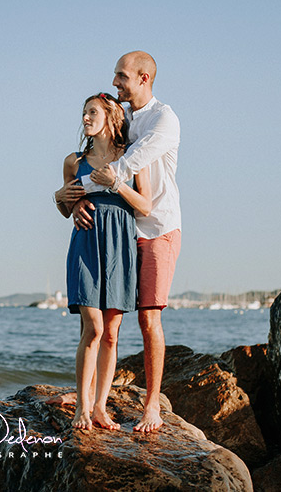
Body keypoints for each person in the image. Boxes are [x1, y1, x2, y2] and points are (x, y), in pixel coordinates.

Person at [54, 51, 181, 434]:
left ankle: (150, 407)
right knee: (93, 325)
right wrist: (67, 201)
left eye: (121, 76)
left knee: (143, 320)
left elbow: (125, 169)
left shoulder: (162, 120)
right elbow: (72, 190)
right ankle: (89, 398)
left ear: (143, 78)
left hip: (153, 229)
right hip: (111, 235)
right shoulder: (107, 135)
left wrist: (72, 193)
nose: (115, 83)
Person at [54, 92, 152, 430]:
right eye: (83, 113)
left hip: (120, 246)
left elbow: (146, 205)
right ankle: (82, 408)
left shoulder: (133, 158)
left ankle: (99, 407)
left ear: (111, 116)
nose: (85, 118)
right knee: (93, 327)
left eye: (92, 112)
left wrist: (117, 184)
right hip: (86, 244)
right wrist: (64, 201)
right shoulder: (73, 161)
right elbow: (66, 206)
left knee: (111, 332)